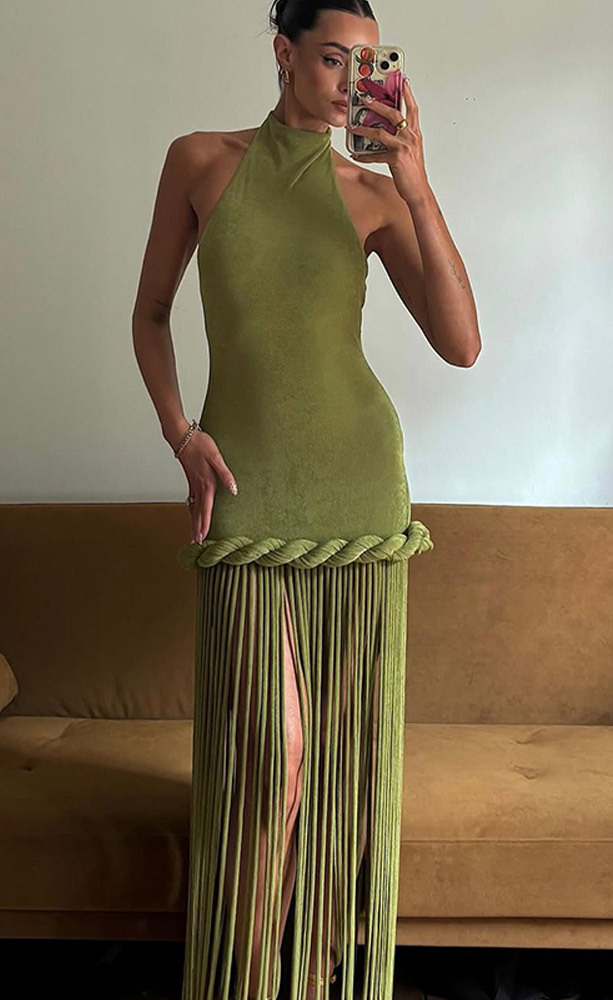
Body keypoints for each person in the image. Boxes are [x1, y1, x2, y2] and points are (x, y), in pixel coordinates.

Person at [131, 2, 481, 999]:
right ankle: (243, 977)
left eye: (368, 66)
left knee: (334, 780)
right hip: (245, 493)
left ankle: (313, 975)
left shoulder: (372, 194)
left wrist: (416, 185)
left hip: (359, 494)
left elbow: (461, 344)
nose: (349, 83)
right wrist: (181, 434)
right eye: (332, 58)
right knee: (275, 758)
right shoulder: (201, 162)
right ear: (284, 53)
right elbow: (150, 313)